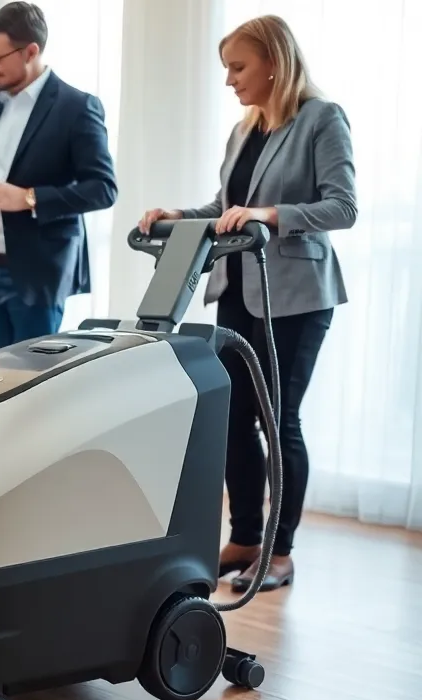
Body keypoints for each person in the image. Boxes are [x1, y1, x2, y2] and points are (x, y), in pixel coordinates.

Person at [138, 15, 355, 593]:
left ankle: (280, 552)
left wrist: (271, 215)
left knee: (278, 419)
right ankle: (245, 538)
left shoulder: (321, 119)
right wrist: (179, 216)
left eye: (238, 67)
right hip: (238, 287)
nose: (230, 80)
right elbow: (226, 203)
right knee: (233, 417)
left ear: (274, 64)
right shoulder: (244, 128)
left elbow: (342, 207)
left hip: (298, 298)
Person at [0, 1, 117, 356]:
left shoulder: (77, 107)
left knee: (31, 389)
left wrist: (30, 198)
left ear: (31, 51)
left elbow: (103, 189)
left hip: (36, 274)